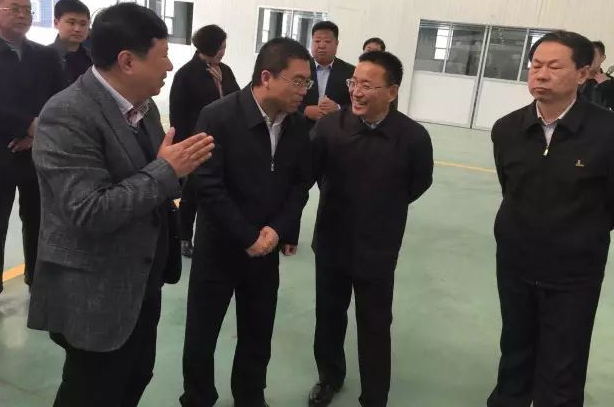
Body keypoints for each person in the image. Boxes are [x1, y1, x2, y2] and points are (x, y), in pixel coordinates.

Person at [27, 2, 215, 407]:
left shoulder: (143, 106)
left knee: (134, 378)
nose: (169, 67)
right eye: (163, 56)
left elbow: (154, 175)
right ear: (128, 61)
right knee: (92, 391)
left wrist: (179, 169)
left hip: (141, 278)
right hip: (96, 288)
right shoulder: (68, 114)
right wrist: (168, 170)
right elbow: (88, 210)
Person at [180, 37, 313, 407]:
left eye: (307, 82)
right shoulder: (218, 117)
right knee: (202, 333)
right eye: (297, 81)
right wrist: (247, 236)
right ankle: (198, 397)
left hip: (265, 248)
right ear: (266, 77)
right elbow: (208, 185)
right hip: (219, 248)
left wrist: (277, 229)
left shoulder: (296, 126)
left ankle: (250, 397)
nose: (304, 90)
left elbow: (300, 184)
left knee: (258, 332)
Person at [488, 30, 614, 406]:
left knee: (563, 361)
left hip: (574, 271)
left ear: (583, 73)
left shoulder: (607, 133)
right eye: (536, 65)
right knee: (515, 348)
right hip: (516, 262)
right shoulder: (507, 129)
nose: (541, 74)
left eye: (554, 67)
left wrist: (579, 236)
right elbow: (510, 187)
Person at [307, 51, 433, 407]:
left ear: (392, 92)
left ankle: (375, 396)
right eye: (354, 83)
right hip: (332, 241)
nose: (357, 92)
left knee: (375, 323)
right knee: (328, 317)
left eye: (367, 85)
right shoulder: (329, 128)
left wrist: (381, 208)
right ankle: (329, 377)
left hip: (378, 246)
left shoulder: (412, 137)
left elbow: (419, 183)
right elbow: (312, 173)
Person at [0, 0, 64, 324]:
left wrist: (35, 132)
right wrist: (26, 125)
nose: (23, 14)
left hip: (36, 153)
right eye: (14, 8)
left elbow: (59, 99)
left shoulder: (44, 56)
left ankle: (37, 282)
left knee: (38, 221)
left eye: (27, 9)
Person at [170, 24, 240, 258]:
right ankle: (184, 237)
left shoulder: (225, 71)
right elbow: (178, 115)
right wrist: (184, 146)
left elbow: (237, 100)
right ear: (207, 46)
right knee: (191, 194)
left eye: (224, 47)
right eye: (219, 47)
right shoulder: (186, 74)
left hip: (224, 142)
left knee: (222, 191)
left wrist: (223, 85)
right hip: (196, 142)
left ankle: (220, 235)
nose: (222, 52)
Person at [301, 21, 354, 127]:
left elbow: (357, 103)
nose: (321, 45)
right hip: (302, 128)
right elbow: (286, 97)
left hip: (336, 130)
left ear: (336, 43)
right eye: (317, 41)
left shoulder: (350, 72)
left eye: (327, 41)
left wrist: (338, 108)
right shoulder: (300, 68)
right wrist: (305, 110)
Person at [49, 0, 92, 86]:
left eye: (83, 24)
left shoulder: (93, 58)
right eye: (71, 23)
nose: (77, 29)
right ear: (56, 23)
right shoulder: (42, 57)